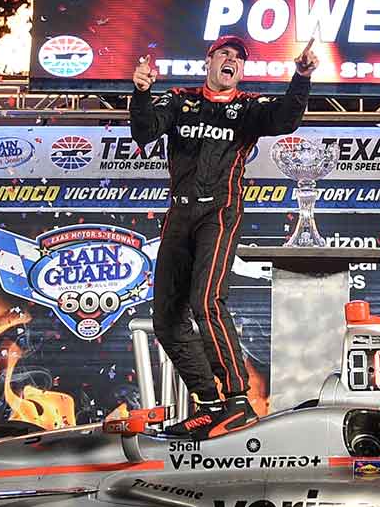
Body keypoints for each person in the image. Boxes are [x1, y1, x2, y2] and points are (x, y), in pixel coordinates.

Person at [130, 35, 319, 439]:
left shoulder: (248, 108)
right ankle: (209, 404)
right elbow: (144, 132)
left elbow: (285, 119)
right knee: (166, 320)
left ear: (241, 70)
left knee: (206, 300)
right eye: (224, 54)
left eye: (238, 58)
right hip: (179, 214)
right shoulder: (179, 100)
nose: (231, 60)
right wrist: (142, 93)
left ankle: (236, 400)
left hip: (219, 212)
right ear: (209, 61)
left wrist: (301, 77)